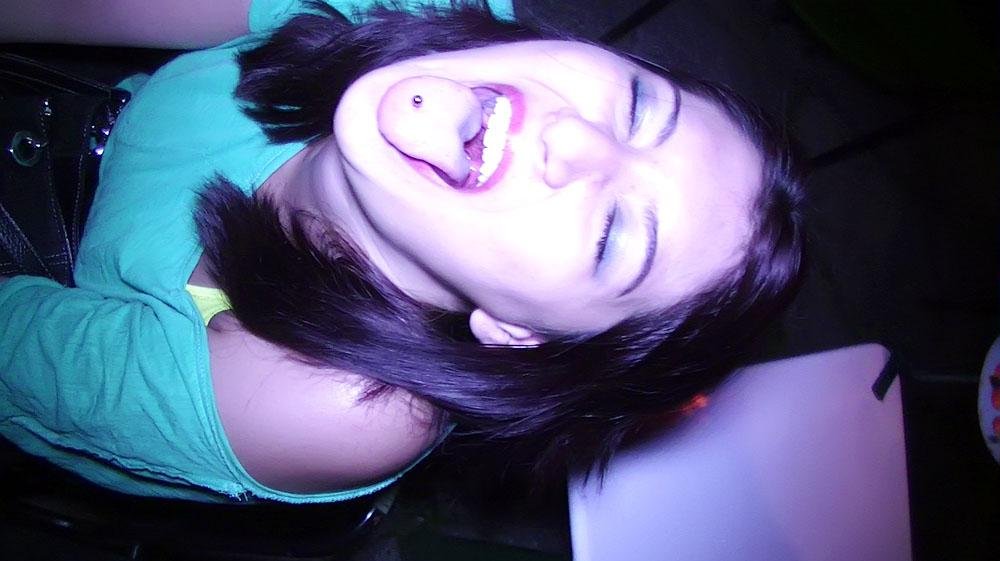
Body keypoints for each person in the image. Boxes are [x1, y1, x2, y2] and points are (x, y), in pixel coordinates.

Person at [0, 0, 804, 503]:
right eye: (638, 107)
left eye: (612, 237)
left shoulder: (324, 407)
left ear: (520, 332)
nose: (574, 139)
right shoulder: (425, 11)